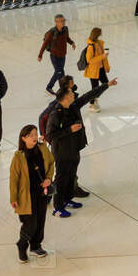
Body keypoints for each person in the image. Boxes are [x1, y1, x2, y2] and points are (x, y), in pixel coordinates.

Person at [44, 77, 116, 217]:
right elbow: (50, 135)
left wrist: (106, 84)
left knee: (71, 176)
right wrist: (69, 130)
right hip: (62, 152)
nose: (74, 95)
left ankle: (68, 199)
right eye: (71, 94)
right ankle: (58, 207)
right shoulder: (55, 114)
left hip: (74, 148)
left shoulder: (73, 106)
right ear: (64, 98)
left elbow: (89, 95)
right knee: (61, 178)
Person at [9, 124, 54, 262]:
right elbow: (14, 178)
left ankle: (36, 246)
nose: (34, 137)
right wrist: (13, 198)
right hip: (26, 196)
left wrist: (48, 178)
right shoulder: (18, 156)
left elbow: (51, 164)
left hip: (41, 193)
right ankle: (22, 244)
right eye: (30, 135)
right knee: (30, 224)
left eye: (35, 134)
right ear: (23, 138)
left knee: (40, 221)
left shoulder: (42, 149)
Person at [38, 14, 74, 94]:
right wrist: (40, 55)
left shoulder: (65, 29)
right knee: (61, 73)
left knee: (57, 72)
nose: (63, 22)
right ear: (56, 22)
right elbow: (44, 44)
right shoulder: (52, 32)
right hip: (55, 56)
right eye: (61, 21)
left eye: (64, 20)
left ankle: (49, 87)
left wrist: (72, 43)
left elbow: (67, 38)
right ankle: (64, 91)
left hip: (63, 55)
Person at [82, 27, 109, 112]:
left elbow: (103, 58)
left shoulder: (99, 43)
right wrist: (102, 56)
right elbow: (89, 60)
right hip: (93, 70)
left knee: (105, 84)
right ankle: (92, 104)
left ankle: (95, 99)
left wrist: (107, 67)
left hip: (101, 69)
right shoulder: (91, 46)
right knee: (95, 88)